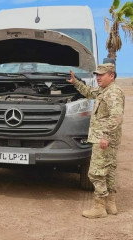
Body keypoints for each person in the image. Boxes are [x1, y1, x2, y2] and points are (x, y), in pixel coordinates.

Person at [67, 63, 125, 219]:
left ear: (111, 76)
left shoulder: (113, 93)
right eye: (97, 74)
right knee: (109, 171)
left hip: (104, 139)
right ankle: (111, 204)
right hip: (108, 139)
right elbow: (89, 92)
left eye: (101, 74)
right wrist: (76, 83)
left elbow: (116, 117)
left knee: (95, 173)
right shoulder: (104, 90)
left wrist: (105, 135)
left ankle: (99, 207)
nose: (98, 77)